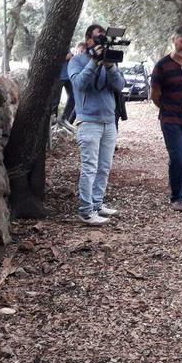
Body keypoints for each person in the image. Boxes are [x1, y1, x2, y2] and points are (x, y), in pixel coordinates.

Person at [68, 24, 126, 226]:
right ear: (88, 39)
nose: (102, 43)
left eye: (104, 39)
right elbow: (80, 85)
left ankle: (97, 204)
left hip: (109, 121)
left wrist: (109, 66)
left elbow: (119, 86)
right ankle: (85, 211)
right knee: (89, 168)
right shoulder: (77, 61)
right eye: (98, 38)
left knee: (104, 167)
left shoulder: (110, 62)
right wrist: (93, 61)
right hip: (89, 121)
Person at [151, 26, 182, 211]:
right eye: (181, 42)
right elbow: (154, 94)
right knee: (177, 156)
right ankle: (176, 197)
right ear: (173, 40)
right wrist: (165, 108)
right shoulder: (162, 65)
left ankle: (177, 179)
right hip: (170, 118)